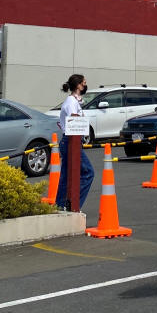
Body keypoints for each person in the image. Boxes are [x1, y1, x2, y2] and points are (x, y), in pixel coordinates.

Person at [54, 73, 95, 211]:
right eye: (84, 83)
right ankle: (73, 204)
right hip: (71, 141)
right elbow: (74, 119)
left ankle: (60, 206)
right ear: (78, 85)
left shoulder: (73, 101)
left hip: (70, 140)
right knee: (88, 172)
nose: (85, 85)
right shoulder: (71, 102)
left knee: (66, 176)